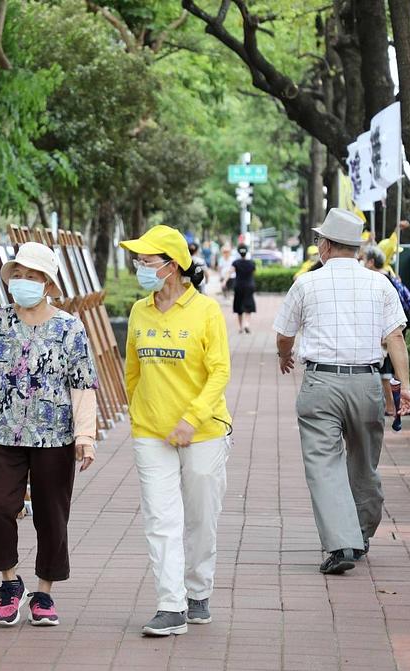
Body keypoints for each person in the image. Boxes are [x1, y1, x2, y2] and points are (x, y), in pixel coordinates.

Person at [0, 241, 99, 627]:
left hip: (55, 438)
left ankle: (44, 593)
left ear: (48, 284)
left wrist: (86, 436)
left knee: (52, 515)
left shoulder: (70, 328)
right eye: (17, 275)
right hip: (2, 433)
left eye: (31, 277)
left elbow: (83, 385)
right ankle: (9, 581)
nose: (22, 282)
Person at [273, 208, 410, 576]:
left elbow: (285, 333)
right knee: (363, 463)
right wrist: (403, 386)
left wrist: (284, 355)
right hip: (367, 383)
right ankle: (362, 534)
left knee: (324, 465)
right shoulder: (379, 283)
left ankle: (342, 543)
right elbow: (395, 337)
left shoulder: (306, 283)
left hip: (321, 383)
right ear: (355, 247)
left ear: (325, 244)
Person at [120, 224, 233, 637]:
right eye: (139, 261)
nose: (140, 268)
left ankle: (198, 592)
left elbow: (220, 370)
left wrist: (192, 418)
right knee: (161, 518)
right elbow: (131, 370)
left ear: (172, 266)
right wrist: (139, 415)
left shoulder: (206, 311)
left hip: (203, 432)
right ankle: (171, 605)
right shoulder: (138, 311)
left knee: (201, 518)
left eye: (147, 261)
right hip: (151, 433)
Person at [364, 246, 410, 414]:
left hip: (389, 330)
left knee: (386, 372)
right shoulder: (389, 276)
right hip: (396, 327)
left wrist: (383, 336)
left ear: (372, 262)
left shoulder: (380, 280)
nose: (363, 263)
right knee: (388, 371)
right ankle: (393, 405)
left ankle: (392, 406)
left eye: (365, 260)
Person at [231, 245, 256, 333]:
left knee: (238, 306)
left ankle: (240, 327)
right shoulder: (252, 263)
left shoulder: (235, 263)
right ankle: (246, 324)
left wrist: (224, 281)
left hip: (238, 286)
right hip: (249, 286)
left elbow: (231, 272)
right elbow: (254, 273)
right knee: (248, 305)